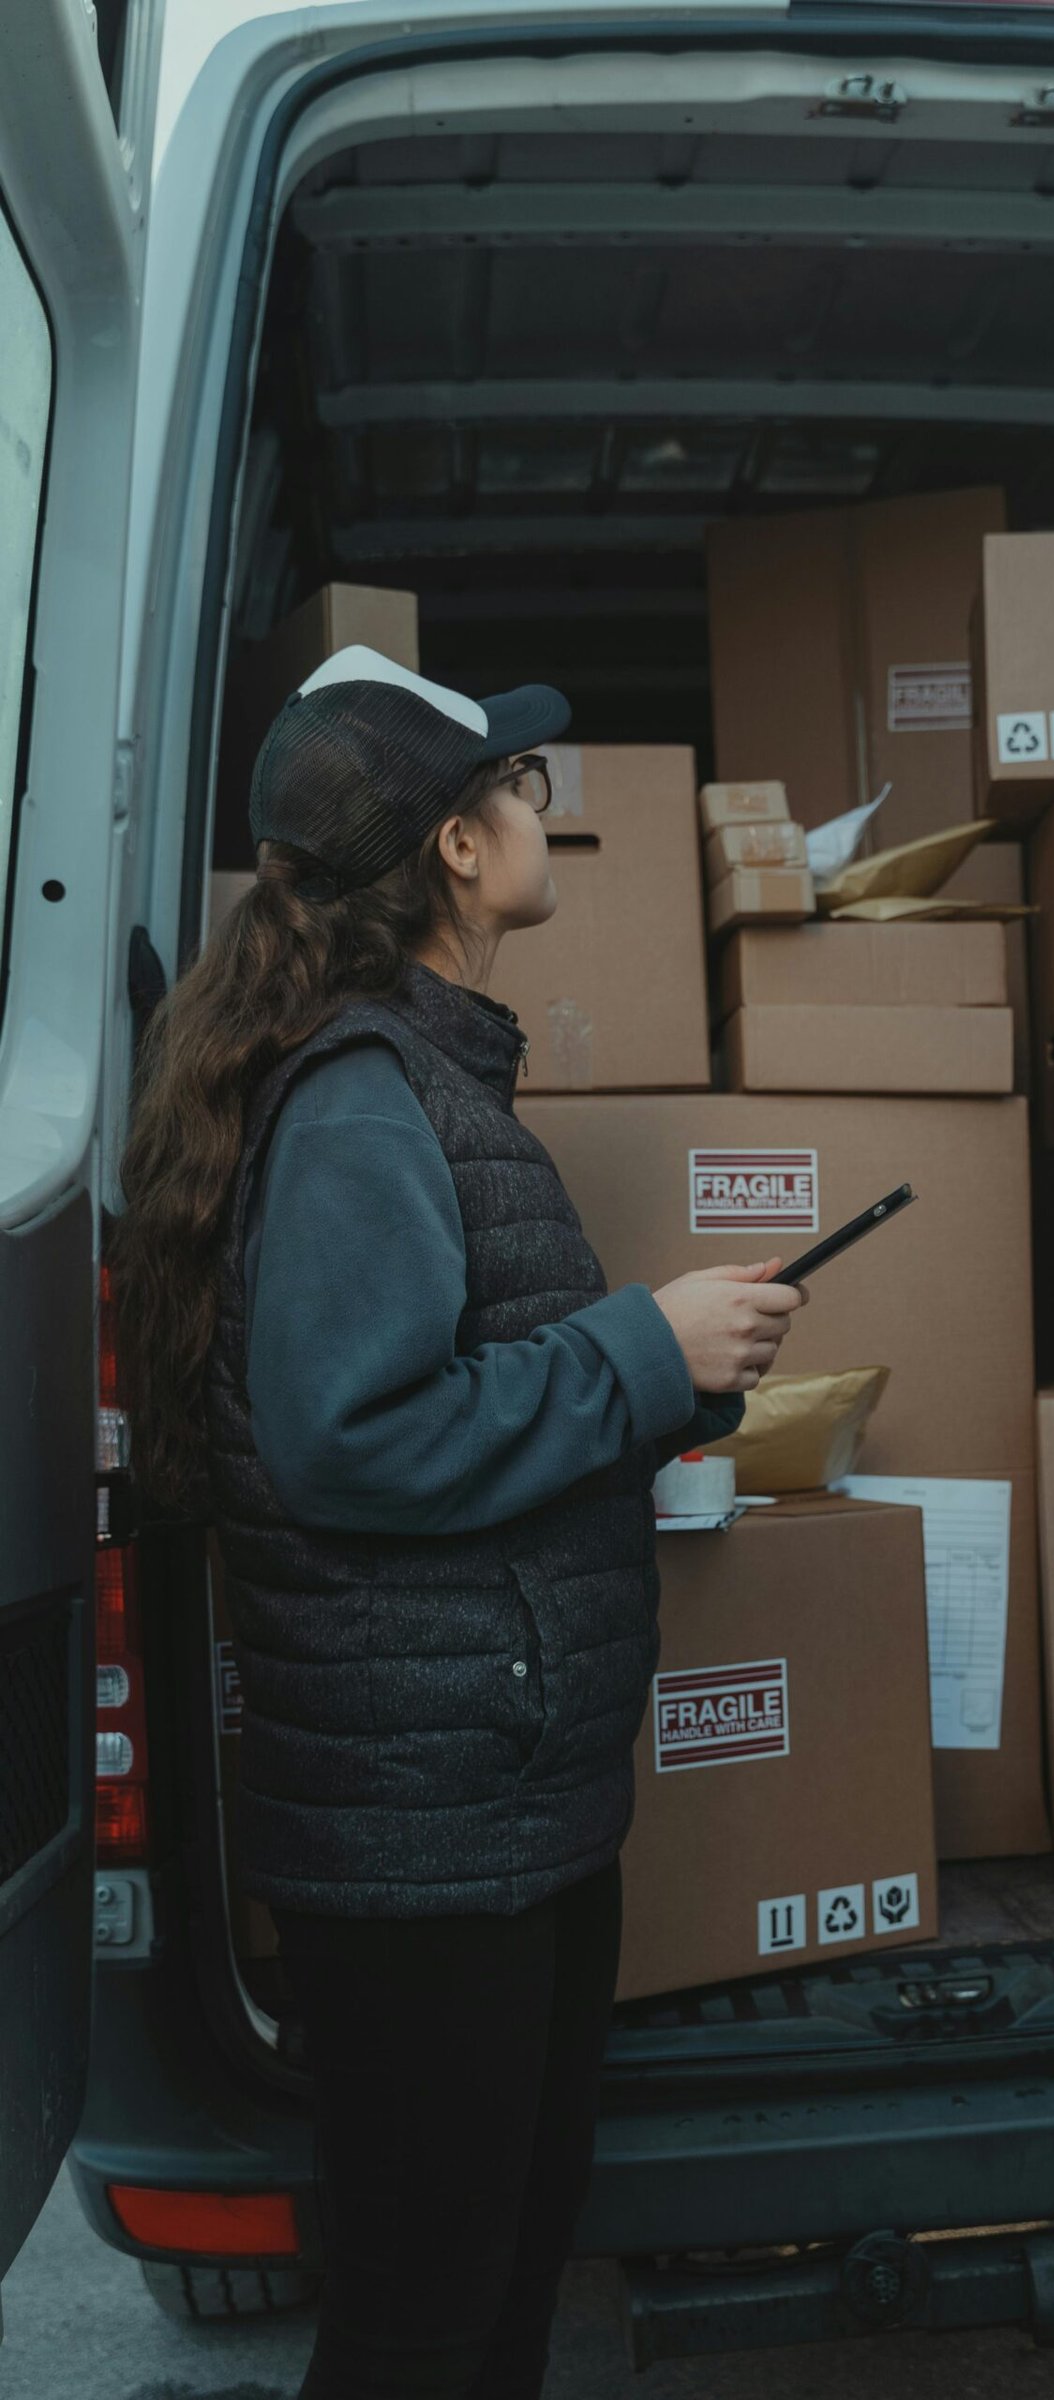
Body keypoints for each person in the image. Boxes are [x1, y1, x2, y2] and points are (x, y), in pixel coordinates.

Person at [111, 645, 805, 2397]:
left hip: (499, 1818)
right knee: (424, 2327)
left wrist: (674, 1377)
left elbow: (459, 1389)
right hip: (428, 1854)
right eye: (512, 785)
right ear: (452, 853)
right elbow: (357, 1440)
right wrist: (644, 1348)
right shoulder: (361, 1099)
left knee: (491, 2302)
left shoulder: (423, 1079)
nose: (536, 804)